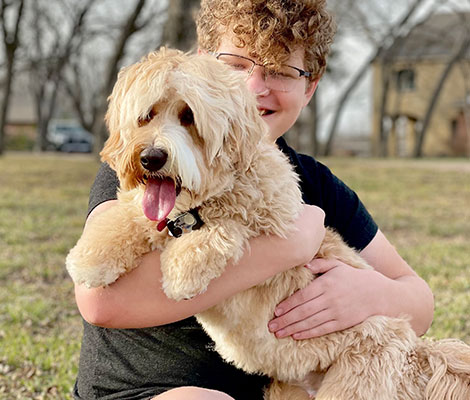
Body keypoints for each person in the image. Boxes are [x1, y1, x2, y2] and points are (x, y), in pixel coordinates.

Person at [72, 0, 434, 399]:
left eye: (280, 71)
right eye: (236, 64)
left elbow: (418, 300)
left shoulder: (314, 183)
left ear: (310, 87)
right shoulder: (151, 162)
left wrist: (372, 293)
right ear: (202, 61)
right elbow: (99, 302)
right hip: (145, 391)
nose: (253, 87)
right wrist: (288, 245)